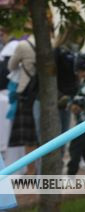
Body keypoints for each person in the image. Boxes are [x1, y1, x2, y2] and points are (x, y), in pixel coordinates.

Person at [7, 32, 36, 174]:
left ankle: (31, 171)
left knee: (28, 137)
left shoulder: (23, 45)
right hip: (42, 93)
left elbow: (11, 66)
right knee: (40, 134)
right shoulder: (51, 44)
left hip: (26, 92)